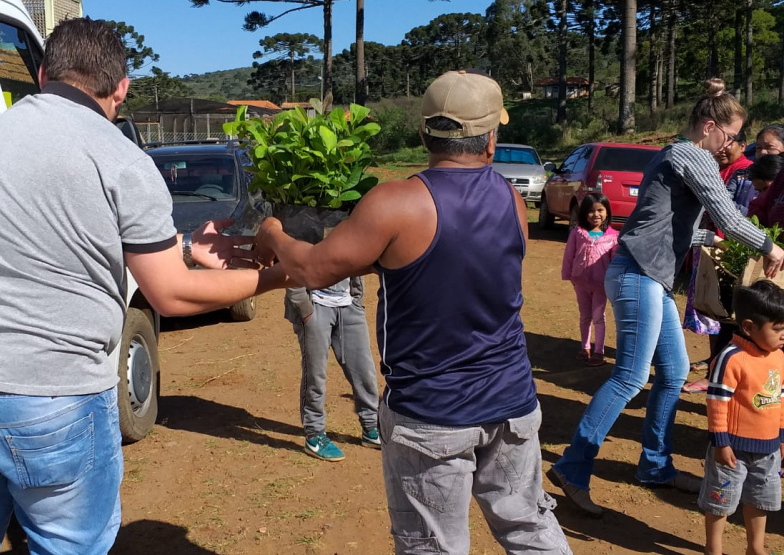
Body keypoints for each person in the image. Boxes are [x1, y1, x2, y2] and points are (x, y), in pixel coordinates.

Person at [0, 18, 288, 555]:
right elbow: (172, 295)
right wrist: (273, 276)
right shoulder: (122, 158)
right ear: (122, 88)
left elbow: (54, 239)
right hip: (48, 392)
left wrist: (180, 246)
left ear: (43, 74)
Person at [256, 70, 572, 555]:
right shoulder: (511, 200)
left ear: (424, 133)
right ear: (490, 140)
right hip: (513, 403)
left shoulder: (395, 204)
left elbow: (314, 270)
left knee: (432, 546)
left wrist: (273, 231)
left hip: (432, 413)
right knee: (529, 528)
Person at [548, 78, 784, 518]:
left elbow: (662, 225)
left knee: (673, 373)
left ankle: (655, 466)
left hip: (648, 273)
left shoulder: (675, 155)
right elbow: (729, 216)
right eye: (730, 137)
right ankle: (572, 467)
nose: (731, 146)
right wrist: (768, 246)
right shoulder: (689, 155)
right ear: (709, 126)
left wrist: (708, 239)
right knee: (631, 377)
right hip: (638, 273)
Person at [700, 280, 784, 555]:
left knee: (761, 500)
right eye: (778, 329)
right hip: (732, 450)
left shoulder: (779, 357)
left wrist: (781, 437)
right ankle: (713, 549)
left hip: (768, 449)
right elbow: (716, 402)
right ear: (749, 327)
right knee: (720, 500)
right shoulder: (731, 358)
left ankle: (755, 548)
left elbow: (780, 399)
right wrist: (721, 443)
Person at [683, 131, 757, 391]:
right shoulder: (720, 170)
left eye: (730, 145)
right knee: (715, 310)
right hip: (711, 245)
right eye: (721, 145)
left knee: (729, 314)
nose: (723, 150)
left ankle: (721, 371)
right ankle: (715, 367)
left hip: (731, 248)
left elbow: (737, 215)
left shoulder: (746, 172)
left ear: (743, 146)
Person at [284, 278, 380, 462]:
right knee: (315, 375)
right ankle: (314, 435)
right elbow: (291, 264)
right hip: (315, 306)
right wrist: (304, 307)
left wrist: (356, 299)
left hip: (348, 305)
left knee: (364, 370)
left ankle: (371, 427)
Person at [562, 193, 619, 367]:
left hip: (601, 285)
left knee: (598, 317)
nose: (596, 215)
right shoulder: (578, 233)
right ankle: (585, 347)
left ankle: (599, 351)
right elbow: (569, 256)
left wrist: (614, 282)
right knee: (585, 316)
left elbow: (616, 262)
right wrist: (569, 275)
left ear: (607, 212)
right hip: (580, 282)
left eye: (600, 210)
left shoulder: (614, 237)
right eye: (591, 211)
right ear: (584, 213)